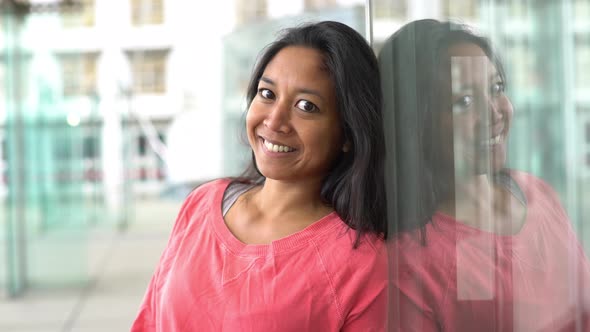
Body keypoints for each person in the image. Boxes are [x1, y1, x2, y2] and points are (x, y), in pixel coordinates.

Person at [131, 21, 388, 331]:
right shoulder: (202, 203)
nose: (275, 120)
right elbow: (148, 321)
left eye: (306, 106)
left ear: (348, 132)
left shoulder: (360, 262)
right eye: (267, 93)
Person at [379, 19, 590, 331]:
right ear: (417, 123)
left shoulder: (538, 193)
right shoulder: (410, 260)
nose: (494, 112)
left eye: (496, 88)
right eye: (463, 101)